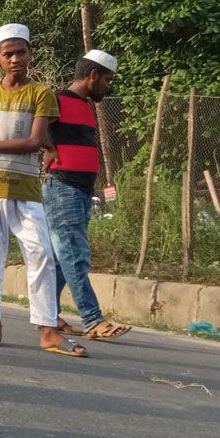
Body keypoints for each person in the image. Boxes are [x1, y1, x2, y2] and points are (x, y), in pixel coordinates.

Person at [0, 23, 86, 357]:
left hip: (25, 186)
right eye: (8, 53)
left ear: (29, 55)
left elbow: (34, 141)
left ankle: (47, 329)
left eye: (21, 52)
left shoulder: (40, 93)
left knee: (40, 251)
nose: (15, 59)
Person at [43, 50, 132, 341]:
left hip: (80, 189)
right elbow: (35, 127)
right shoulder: (56, 100)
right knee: (74, 255)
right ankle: (93, 319)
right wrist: (46, 148)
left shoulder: (84, 106)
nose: (107, 86)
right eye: (106, 80)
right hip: (63, 187)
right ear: (93, 75)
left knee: (61, 257)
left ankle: (50, 315)